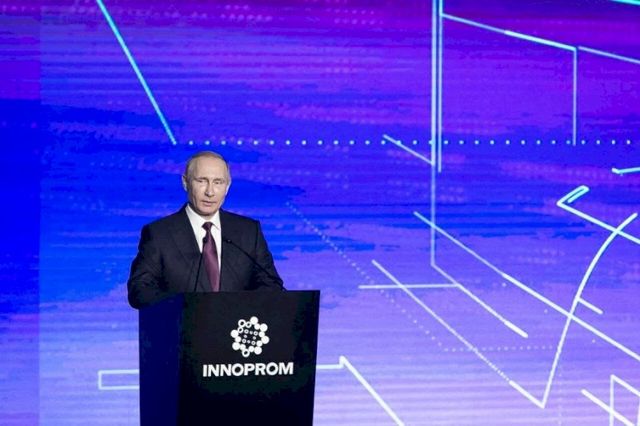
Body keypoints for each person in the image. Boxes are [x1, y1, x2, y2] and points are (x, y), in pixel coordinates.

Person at [127, 151, 284, 309]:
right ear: (185, 182)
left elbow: (271, 284)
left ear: (227, 187)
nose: (210, 192)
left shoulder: (248, 231)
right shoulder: (159, 233)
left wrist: (239, 307)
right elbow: (139, 290)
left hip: (237, 322)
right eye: (202, 181)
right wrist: (187, 306)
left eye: (218, 182)